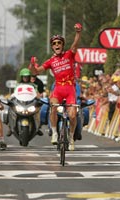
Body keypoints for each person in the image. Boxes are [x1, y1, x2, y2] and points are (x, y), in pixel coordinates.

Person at [29, 23, 82, 151]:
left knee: (73, 115)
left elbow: (75, 45)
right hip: (58, 89)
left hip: (70, 89)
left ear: (62, 45)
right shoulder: (51, 61)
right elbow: (36, 72)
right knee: (53, 107)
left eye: (59, 43)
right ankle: (54, 133)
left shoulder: (69, 55)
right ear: (52, 47)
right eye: (54, 43)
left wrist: (78, 33)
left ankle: (70, 137)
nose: (57, 45)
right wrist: (31, 65)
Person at [7, 68, 43, 136]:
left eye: (27, 77)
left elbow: (37, 93)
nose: (26, 78)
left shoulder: (33, 85)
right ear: (22, 77)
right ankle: (9, 126)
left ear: (29, 77)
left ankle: (38, 126)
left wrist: (39, 98)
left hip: (30, 103)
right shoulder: (18, 85)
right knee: (10, 108)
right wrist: (11, 98)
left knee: (38, 109)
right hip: (20, 103)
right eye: (24, 76)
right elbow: (15, 93)